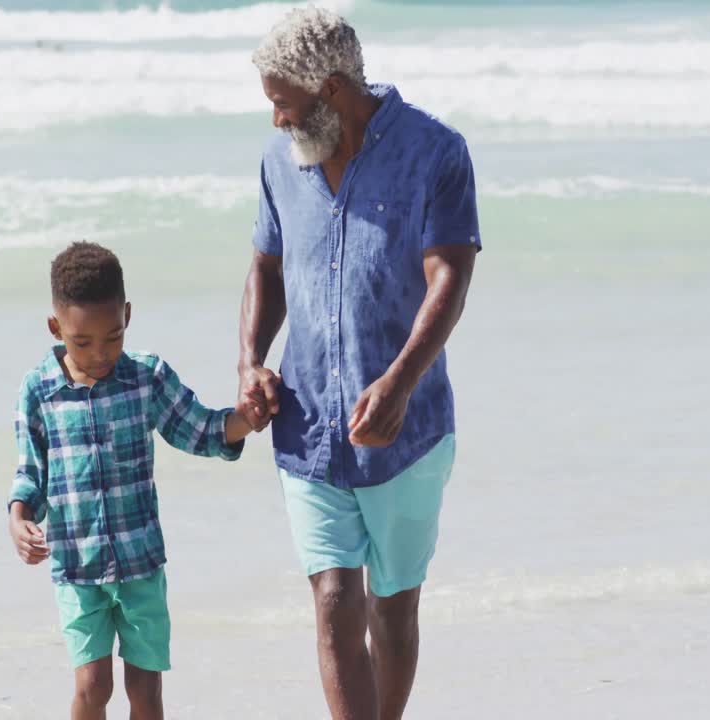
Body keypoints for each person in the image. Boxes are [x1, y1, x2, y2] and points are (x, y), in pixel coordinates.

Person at [238, 8, 481, 719]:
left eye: (285, 104)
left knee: (393, 605)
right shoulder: (279, 162)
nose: (278, 122)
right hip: (307, 427)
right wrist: (250, 360)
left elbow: (451, 277)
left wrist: (400, 383)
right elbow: (266, 268)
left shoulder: (436, 152)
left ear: (334, 89)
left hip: (409, 433)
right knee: (334, 599)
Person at [8, 241, 254, 720]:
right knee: (92, 686)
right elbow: (30, 470)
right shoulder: (38, 390)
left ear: (127, 315)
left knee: (145, 691)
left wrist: (247, 418)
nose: (100, 353)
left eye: (113, 337)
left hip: (140, 563)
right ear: (56, 328)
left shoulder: (147, 377)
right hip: (78, 566)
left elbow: (199, 429)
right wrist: (18, 518)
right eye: (82, 342)